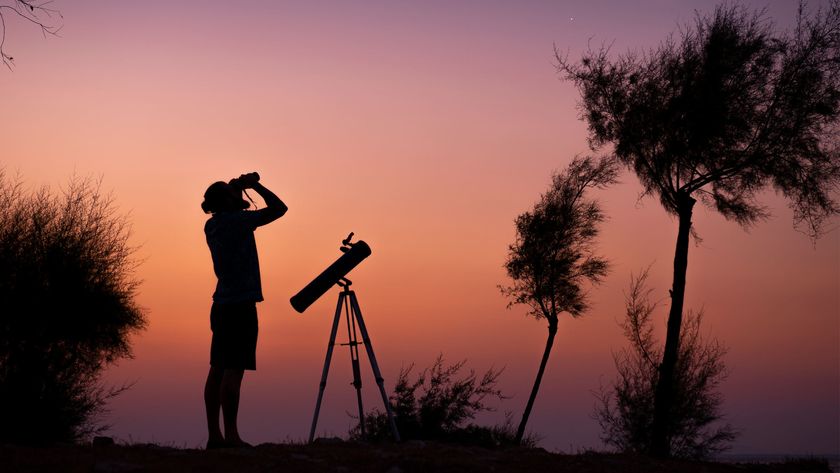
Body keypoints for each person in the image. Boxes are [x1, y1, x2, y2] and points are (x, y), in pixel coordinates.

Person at [200, 172, 287, 449]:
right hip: (241, 306)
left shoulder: (211, 226)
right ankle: (233, 436)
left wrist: (235, 190)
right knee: (234, 371)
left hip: (222, 304)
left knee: (217, 369)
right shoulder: (239, 222)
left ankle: (215, 436)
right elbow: (279, 209)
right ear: (227, 201)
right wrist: (254, 185)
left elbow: (232, 210)